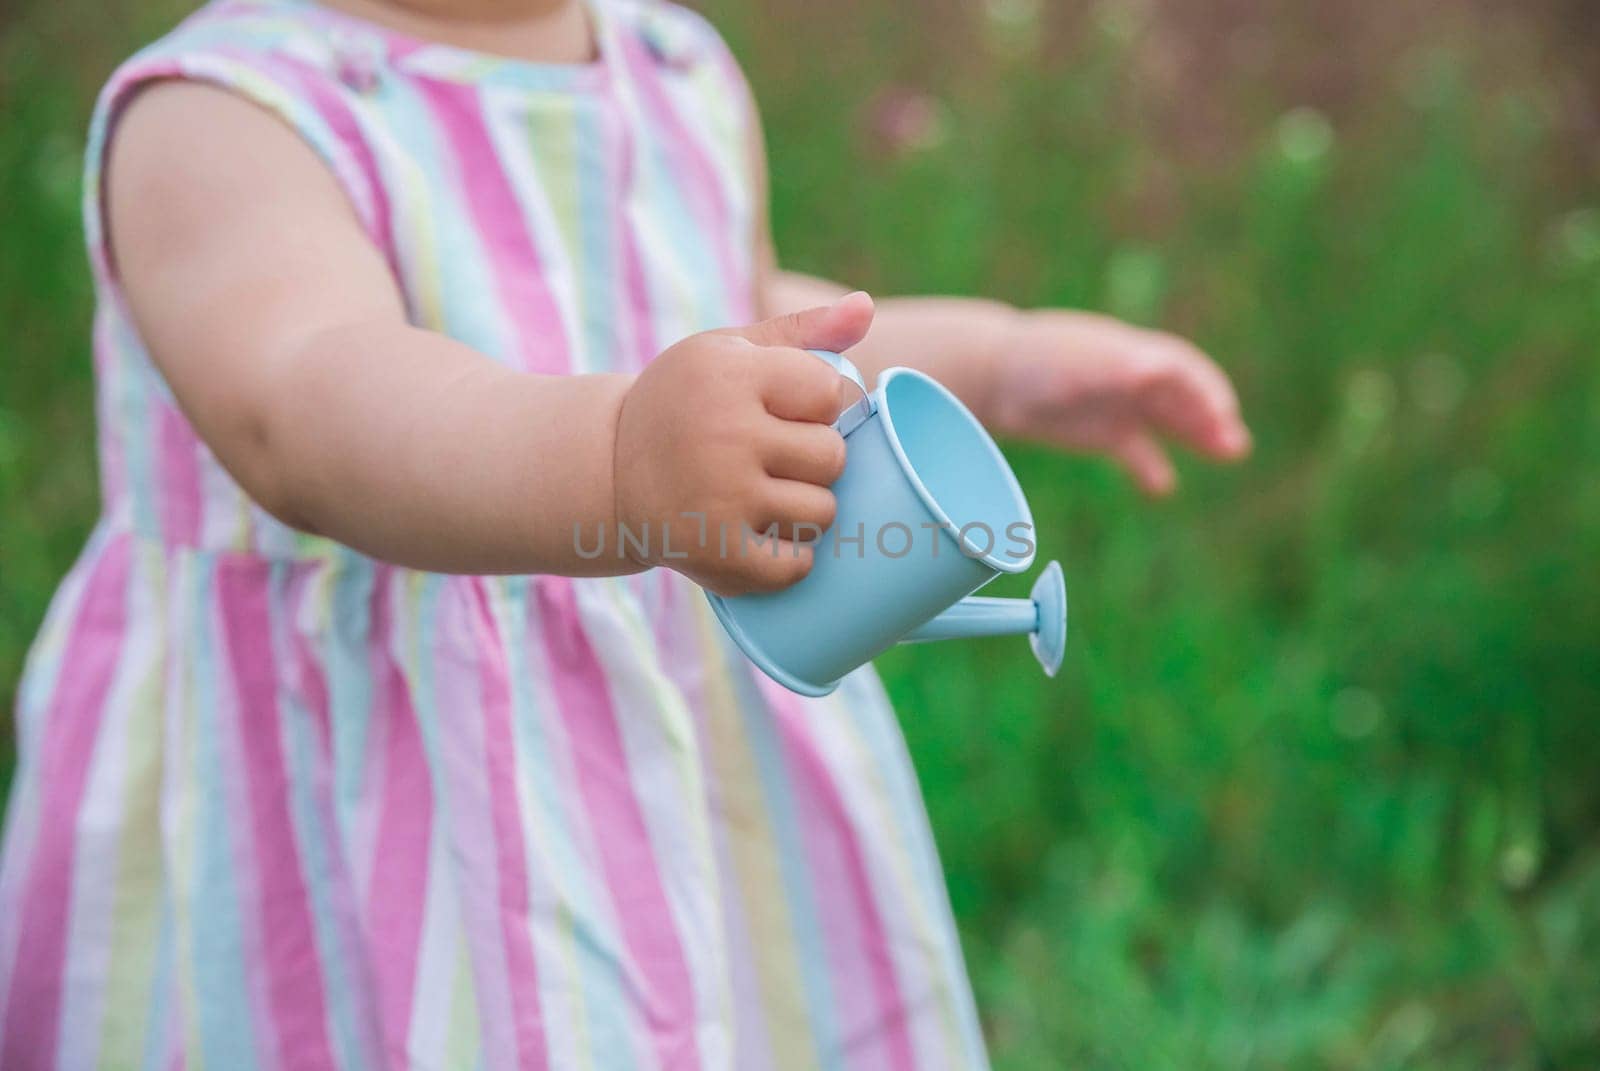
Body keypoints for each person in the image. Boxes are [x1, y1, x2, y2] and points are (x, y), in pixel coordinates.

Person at [0, 0, 1251, 1066]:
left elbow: (743, 327)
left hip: (674, 737)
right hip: (361, 769)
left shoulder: (668, 65)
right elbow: (306, 404)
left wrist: (1000, 357)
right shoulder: (228, 114)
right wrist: (618, 463)